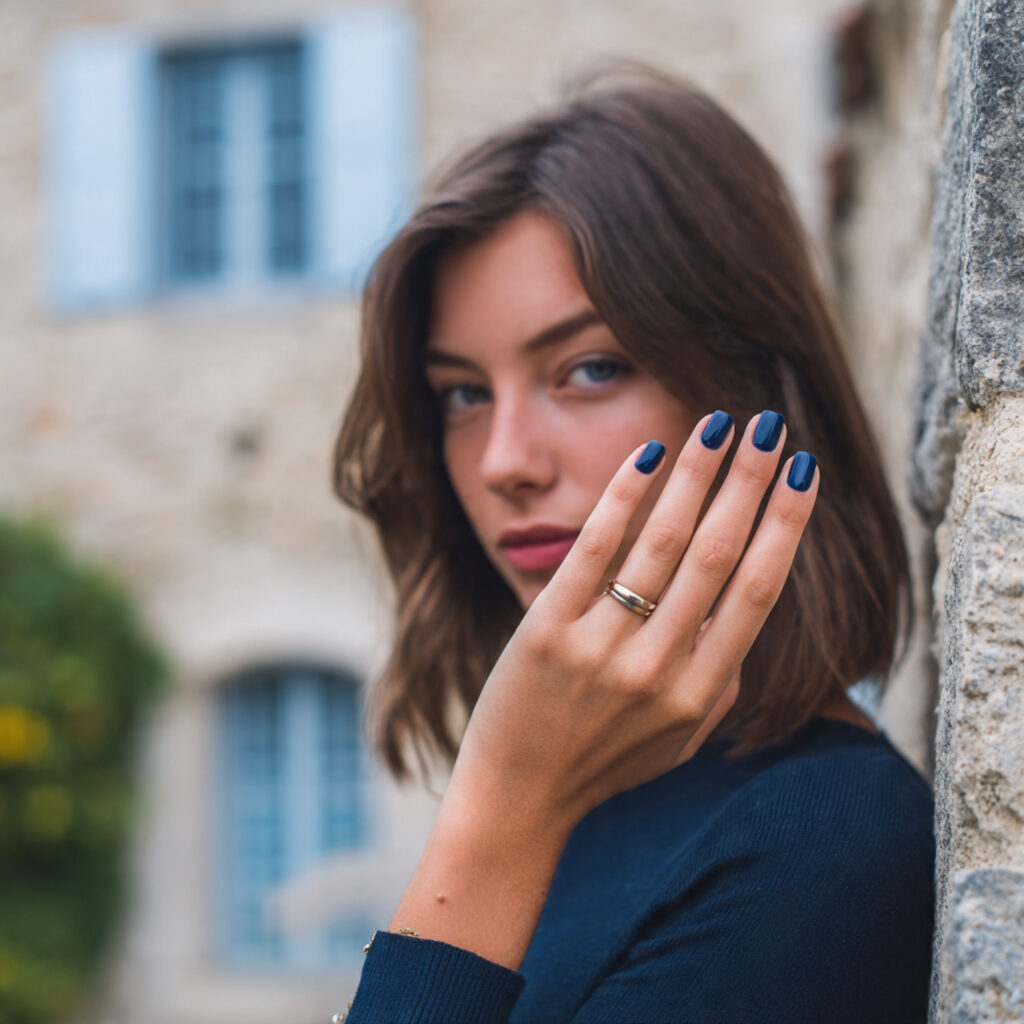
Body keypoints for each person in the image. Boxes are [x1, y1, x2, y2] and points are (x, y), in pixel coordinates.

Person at [330, 61, 934, 1024]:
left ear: (746, 394)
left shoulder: (822, 841)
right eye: (463, 394)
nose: (502, 462)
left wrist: (494, 819)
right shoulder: (588, 791)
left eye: (590, 368)